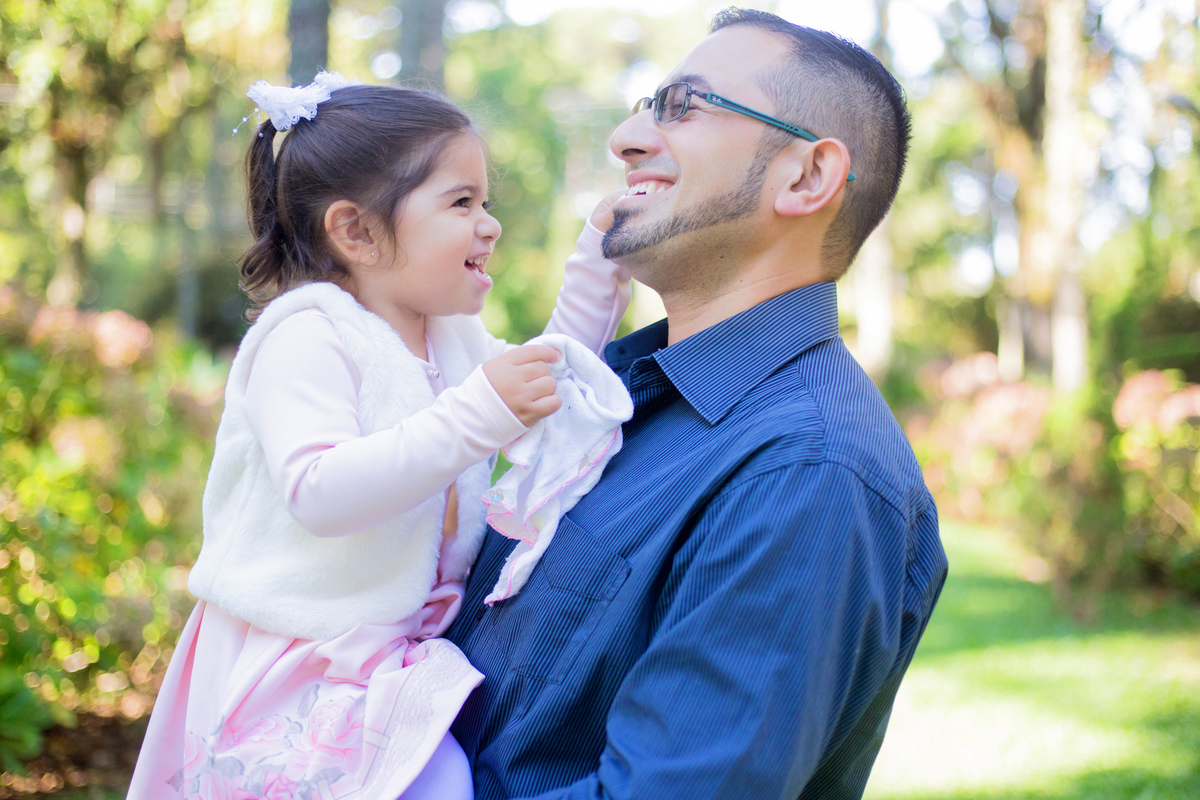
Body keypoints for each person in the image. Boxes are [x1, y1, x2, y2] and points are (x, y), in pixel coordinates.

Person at [447, 9, 949, 799]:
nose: (625, 139)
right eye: (645, 106)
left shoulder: (808, 471)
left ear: (807, 177)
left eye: (683, 107)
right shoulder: (624, 403)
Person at [127, 75, 630, 800]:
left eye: (485, 203)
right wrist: (476, 414)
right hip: (295, 657)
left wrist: (600, 259)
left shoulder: (450, 338)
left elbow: (544, 381)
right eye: (461, 203)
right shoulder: (307, 336)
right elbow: (319, 491)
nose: (489, 224)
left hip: (385, 658)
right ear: (357, 232)